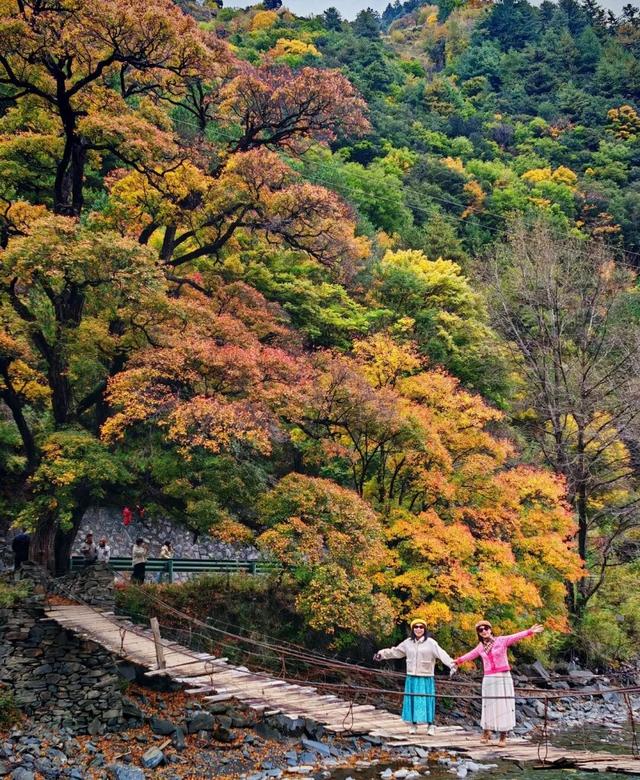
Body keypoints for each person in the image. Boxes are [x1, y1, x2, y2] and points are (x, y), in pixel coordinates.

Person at [452, 620, 544, 746]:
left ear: (490, 629)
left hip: (503, 677)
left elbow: (515, 636)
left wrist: (529, 631)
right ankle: (487, 731)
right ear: (479, 633)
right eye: (480, 630)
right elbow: (471, 655)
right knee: (488, 704)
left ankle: (503, 735)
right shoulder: (480, 647)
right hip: (489, 677)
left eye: (486, 628)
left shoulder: (501, 640)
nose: (484, 631)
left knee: (503, 703)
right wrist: (458, 661)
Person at [374, 617, 456, 735]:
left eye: (421, 627)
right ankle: (413, 724)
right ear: (413, 629)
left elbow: (442, 654)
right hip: (411, 676)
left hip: (425, 676)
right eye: (416, 627)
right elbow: (395, 652)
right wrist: (381, 654)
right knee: (411, 700)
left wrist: (452, 664)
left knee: (426, 700)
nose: (418, 629)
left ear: (425, 629)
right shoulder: (407, 643)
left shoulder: (431, 643)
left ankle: (430, 725)